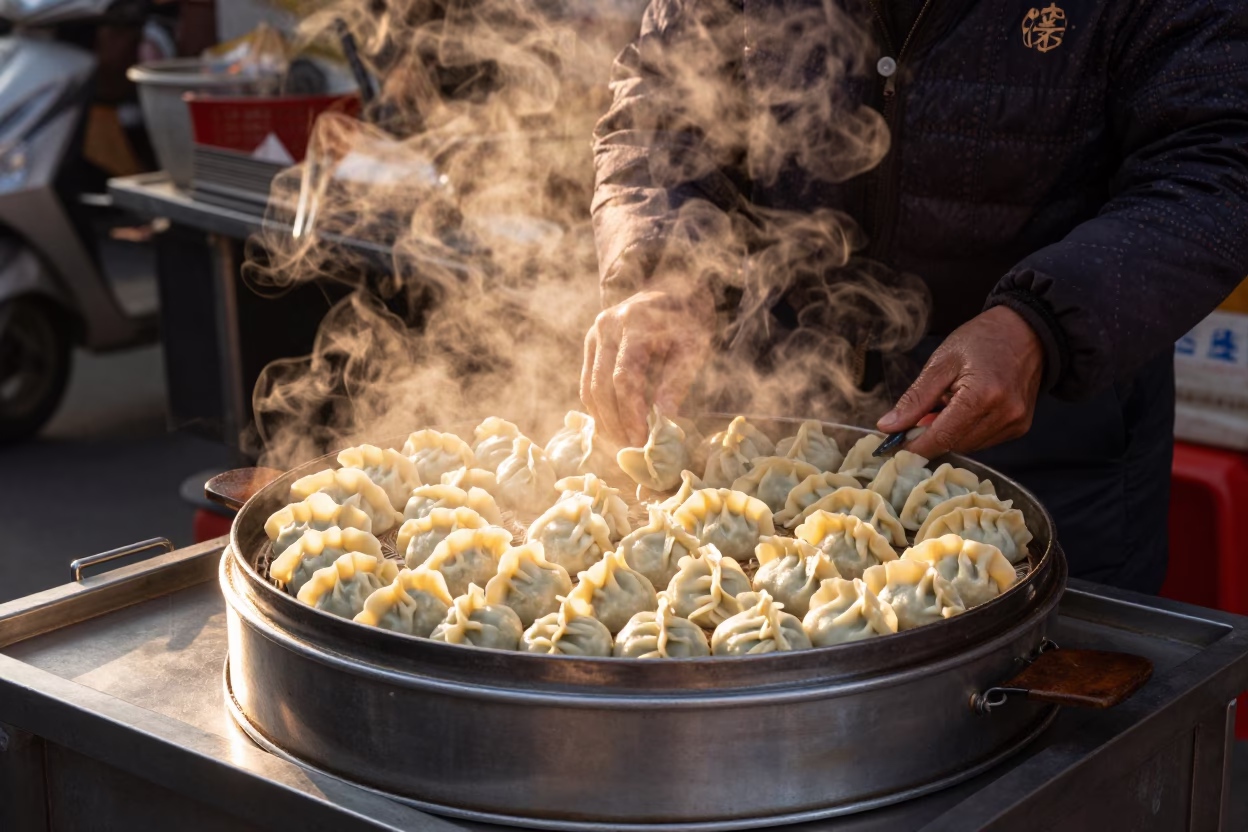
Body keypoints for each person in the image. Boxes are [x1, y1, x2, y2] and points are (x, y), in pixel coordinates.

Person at [580, 0, 1248, 593]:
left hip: (1050, 443)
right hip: (766, 424)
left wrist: (1041, 325)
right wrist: (667, 264)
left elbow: (1219, 155)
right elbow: (660, 108)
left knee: (1029, 701)